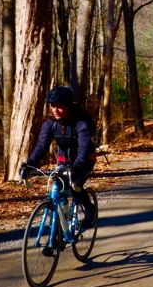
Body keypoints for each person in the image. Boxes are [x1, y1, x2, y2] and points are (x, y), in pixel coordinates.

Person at [20, 85, 97, 220]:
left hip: (84, 160)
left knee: (74, 185)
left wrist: (76, 167)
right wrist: (30, 164)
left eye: (60, 106)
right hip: (64, 159)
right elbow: (42, 146)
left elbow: (83, 148)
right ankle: (61, 224)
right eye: (53, 105)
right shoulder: (50, 123)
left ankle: (90, 210)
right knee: (59, 187)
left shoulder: (80, 122)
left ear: (69, 106)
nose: (55, 110)